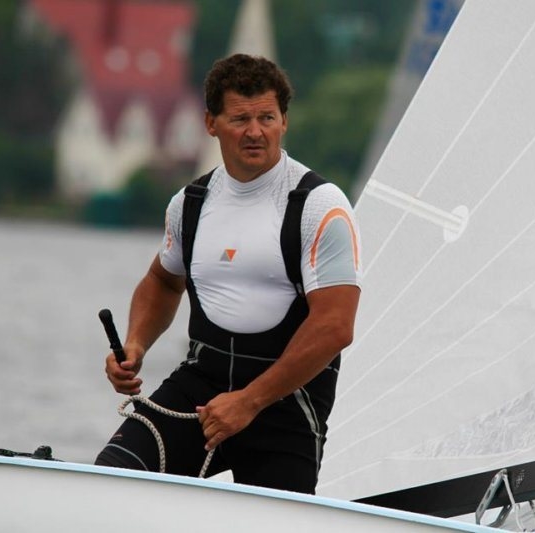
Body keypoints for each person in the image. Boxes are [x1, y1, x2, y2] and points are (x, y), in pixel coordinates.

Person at [95, 54, 362, 494]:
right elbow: (163, 281)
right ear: (211, 123)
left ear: (284, 121)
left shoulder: (320, 207)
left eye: (267, 117)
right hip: (201, 388)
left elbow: (335, 326)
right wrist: (136, 344)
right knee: (113, 476)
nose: (255, 131)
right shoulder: (190, 203)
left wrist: (249, 401)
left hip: (285, 404)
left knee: (268, 519)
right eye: (240, 119)